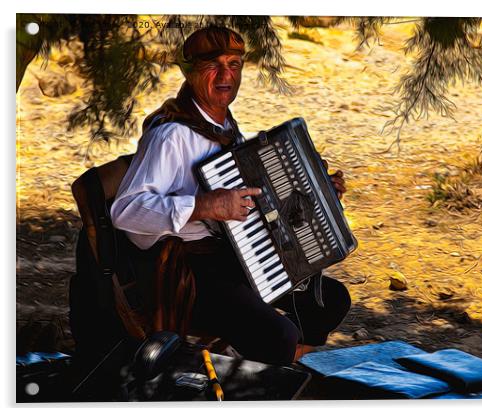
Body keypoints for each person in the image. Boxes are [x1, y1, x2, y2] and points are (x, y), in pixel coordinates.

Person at [110, 26, 350, 365]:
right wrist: (203, 206)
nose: (226, 75)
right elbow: (126, 211)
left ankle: (265, 360)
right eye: (214, 65)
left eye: (234, 64)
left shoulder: (226, 129)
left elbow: (258, 200)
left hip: (237, 252)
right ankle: (266, 365)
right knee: (280, 334)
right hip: (187, 274)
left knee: (332, 300)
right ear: (190, 71)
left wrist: (319, 194)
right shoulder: (171, 136)